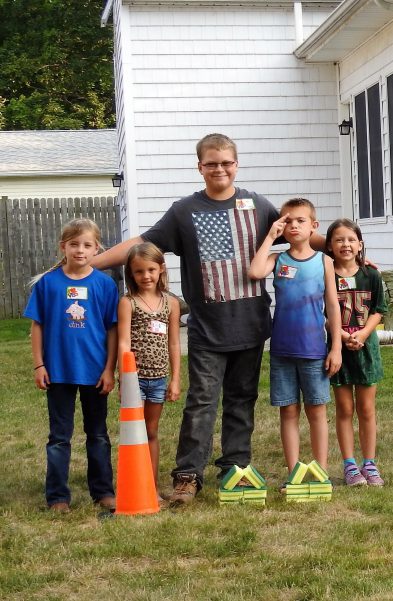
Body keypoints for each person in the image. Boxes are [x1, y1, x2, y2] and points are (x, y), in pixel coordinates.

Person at [93, 133, 311, 505]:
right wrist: (88, 266)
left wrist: (346, 251)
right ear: (200, 167)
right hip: (208, 329)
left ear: (236, 164)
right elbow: (141, 244)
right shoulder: (184, 212)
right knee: (201, 403)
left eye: (226, 162)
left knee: (241, 401)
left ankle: (235, 470)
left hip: (251, 326)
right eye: (211, 163)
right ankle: (188, 476)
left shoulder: (258, 206)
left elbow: (300, 235)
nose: (219, 169)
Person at [25, 219, 118, 512]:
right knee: (59, 438)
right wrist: (39, 365)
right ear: (63, 247)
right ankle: (57, 497)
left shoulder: (105, 284)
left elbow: (112, 329)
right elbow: (37, 325)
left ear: (96, 248)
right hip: (58, 372)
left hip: (95, 372)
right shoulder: (48, 284)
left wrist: (109, 369)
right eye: (74, 244)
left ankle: (103, 491)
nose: (80, 250)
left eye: (87, 245)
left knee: (98, 435)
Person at [249, 198, 342, 484]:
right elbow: (255, 272)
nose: (293, 226)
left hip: (314, 350)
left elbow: (333, 306)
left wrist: (336, 347)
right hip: (282, 350)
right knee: (288, 411)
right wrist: (270, 237)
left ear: (314, 226)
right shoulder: (278, 260)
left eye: (300, 221)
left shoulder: (324, 261)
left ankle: (321, 472)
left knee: (316, 411)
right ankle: (294, 474)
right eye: (287, 221)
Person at [325, 219, 388, 486]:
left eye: (351, 239)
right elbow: (323, 312)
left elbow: (379, 309)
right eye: (339, 239)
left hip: (366, 349)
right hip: (338, 350)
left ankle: (370, 464)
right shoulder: (326, 274)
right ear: (330, 245)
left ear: (360, 244)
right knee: (344, 408)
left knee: (366, 408)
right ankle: (350, 465)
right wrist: (341, 336)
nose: (346, 244)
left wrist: (362, 335)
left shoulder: (371, 274)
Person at [117, 242, 182, 494]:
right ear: (131, 274)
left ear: (161, 269)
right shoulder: (128, 302)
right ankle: (134, 484)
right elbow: (124, 342)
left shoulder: (171, 303)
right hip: (135, 379)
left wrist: (175, 379)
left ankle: (151, 487)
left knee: (151, 430)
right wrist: (125, 379)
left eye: (151, 270)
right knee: (134, 432)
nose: (146, 276)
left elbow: (174, 342)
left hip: (158, 379)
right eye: (139, 271)